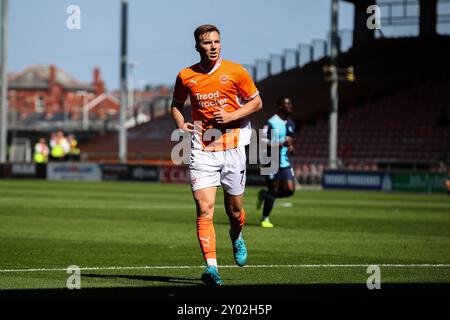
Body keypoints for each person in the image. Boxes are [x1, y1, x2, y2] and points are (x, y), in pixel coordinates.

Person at [171, 24, 263, 286]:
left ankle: (237, 236)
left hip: (233, 148)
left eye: (216, 42)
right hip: (202, 149)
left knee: (234, 211)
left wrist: (232, 115)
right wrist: (180, 123)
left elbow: (257, 102)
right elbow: (176, 105)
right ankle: (212, 268)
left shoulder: (236, 71)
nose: (213, 47)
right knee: (204, 208)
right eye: (207, 43)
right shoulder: (186, 76)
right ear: (197, 46)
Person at [256, 97, 296, 227]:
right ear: (280, 106)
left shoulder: (290, 123)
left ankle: (264, 195)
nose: (290, 106)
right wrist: (278, 144)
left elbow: (289, 139)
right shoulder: (271, 122)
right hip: (270, 159)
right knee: (274, 189)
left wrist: (290, 147)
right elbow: (262, 141)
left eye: (290, 103)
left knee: (290, 190)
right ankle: (265, 218)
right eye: (287, 104)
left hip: (284, 161)